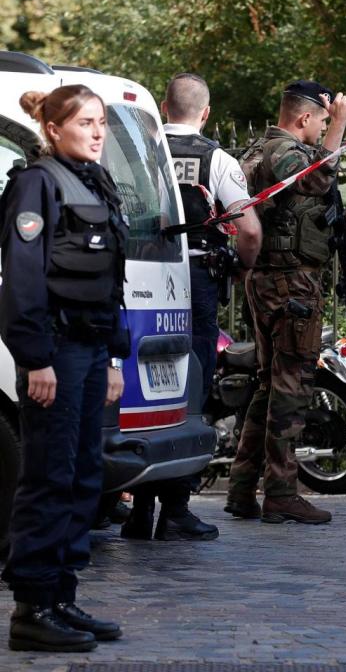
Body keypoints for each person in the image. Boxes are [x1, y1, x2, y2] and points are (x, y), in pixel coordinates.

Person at [1, 85, 129, 651]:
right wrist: (36, 360)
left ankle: (61, 597)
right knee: (49, 476)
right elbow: (23, 281)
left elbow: (108, 280)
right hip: (55, 352)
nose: (98, 132)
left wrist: (115, 356)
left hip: (92, 350)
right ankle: (31, 608)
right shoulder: (37, 183)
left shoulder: (96, 180)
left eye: (102, 122)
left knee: (82, 476)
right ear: (53, 129)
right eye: (86, 122)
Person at [120, 73, 262, 542]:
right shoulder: (215, 158)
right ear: (206, 114)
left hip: (143, 276)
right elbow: (250, 228)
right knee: (189, 391)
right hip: (196, 280)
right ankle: (176, 511)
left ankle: (140, 510)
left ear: (163, 107)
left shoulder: (144, 151)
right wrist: (242, 268)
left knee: (150, 394)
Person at [224, 80, 346, 524]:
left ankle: (243, 488)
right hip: (291, 284)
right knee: (291, 386)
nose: (322, 128)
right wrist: (340, 126)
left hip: (267, 283)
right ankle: (281, 490)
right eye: (320, 120)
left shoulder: (258, 150)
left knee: (268, 385)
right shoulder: (285, 153)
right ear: (304, 118)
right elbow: (317, 179)